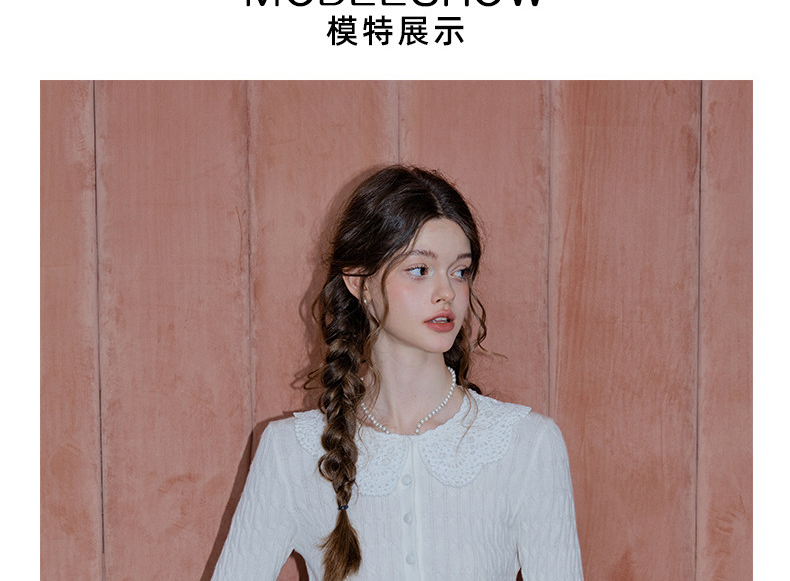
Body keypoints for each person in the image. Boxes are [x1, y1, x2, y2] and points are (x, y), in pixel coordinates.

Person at [212, 165, 583, 580]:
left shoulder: (527, 445)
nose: (447, 292)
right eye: (419, 270)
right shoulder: (290, 451)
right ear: (359, 281)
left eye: (460, 271)